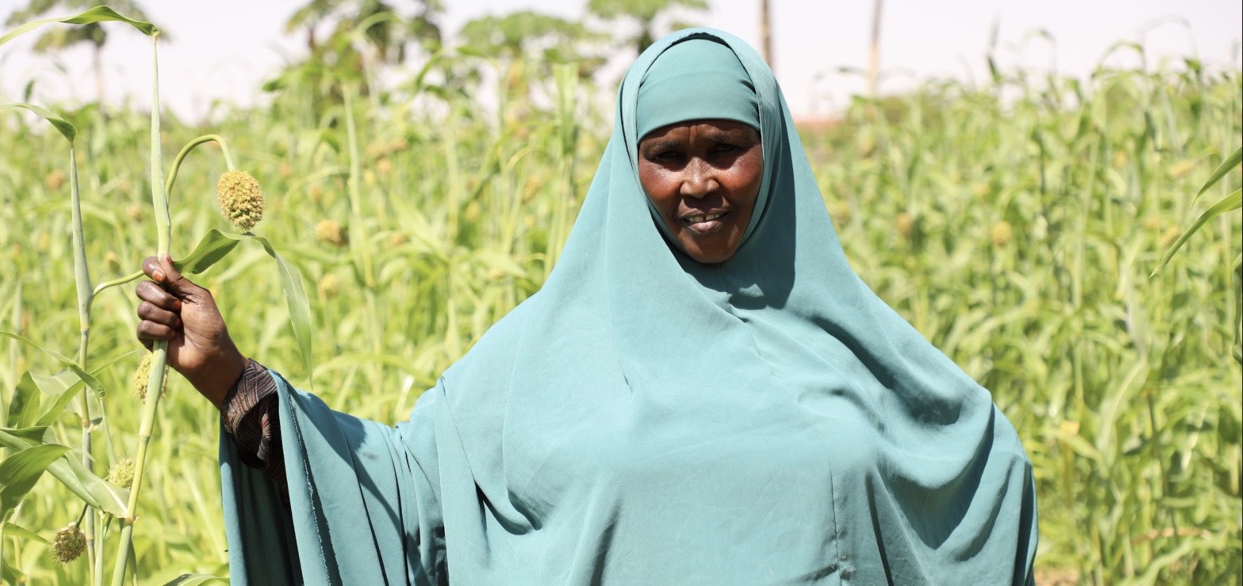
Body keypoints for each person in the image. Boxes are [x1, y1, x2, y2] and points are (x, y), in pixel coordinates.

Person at [136, 28, 1037, 585]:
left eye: (726, 149)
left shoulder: (851, 344)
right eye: (667, 154)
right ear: (626, 165)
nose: (698, 183)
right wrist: (231, 378)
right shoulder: (543, 353)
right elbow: (406, 495)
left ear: (774, 154)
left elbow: (971, 473)